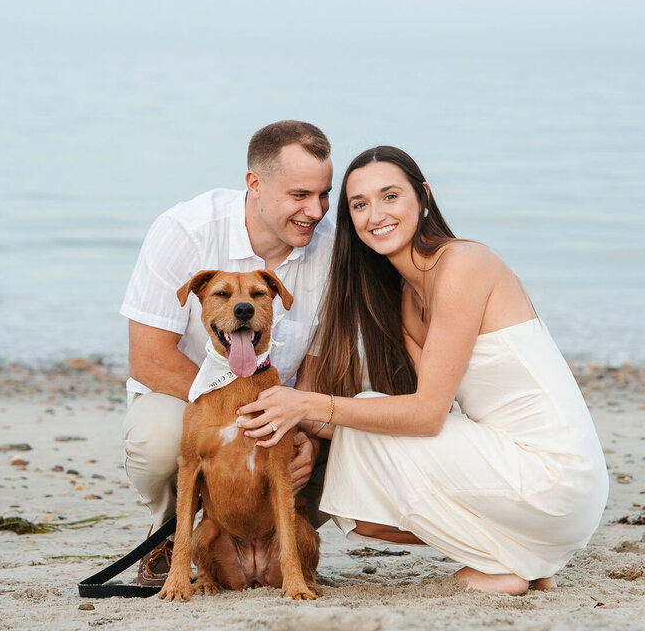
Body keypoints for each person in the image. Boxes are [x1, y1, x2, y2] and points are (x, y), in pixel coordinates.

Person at [235, 146, 609, 594]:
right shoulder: (407, 299)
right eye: (359, 204)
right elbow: (410, 422)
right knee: (359, 508)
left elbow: (428, 415)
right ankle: (516, 560)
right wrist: (301, 418)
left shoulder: (463, 263)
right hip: (521, 477)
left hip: (556, 476)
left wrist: (308, 403)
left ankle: (509, 563)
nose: (376, 215)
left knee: (365, 416)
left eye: (390, 196)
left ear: (423, 197)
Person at [120, 120, 335, 587]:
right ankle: (169, 534)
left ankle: (283, 539)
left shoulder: (332, 251)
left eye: (324, 195)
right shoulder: (185, 231)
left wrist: (306, 431)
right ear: (254, 184)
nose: (315, 211)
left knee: (353, 432)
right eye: (300, 195)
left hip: (283, 411)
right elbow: (150, 359)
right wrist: (239, 418)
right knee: (157, 437)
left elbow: (319, 362)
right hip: (191, 399)